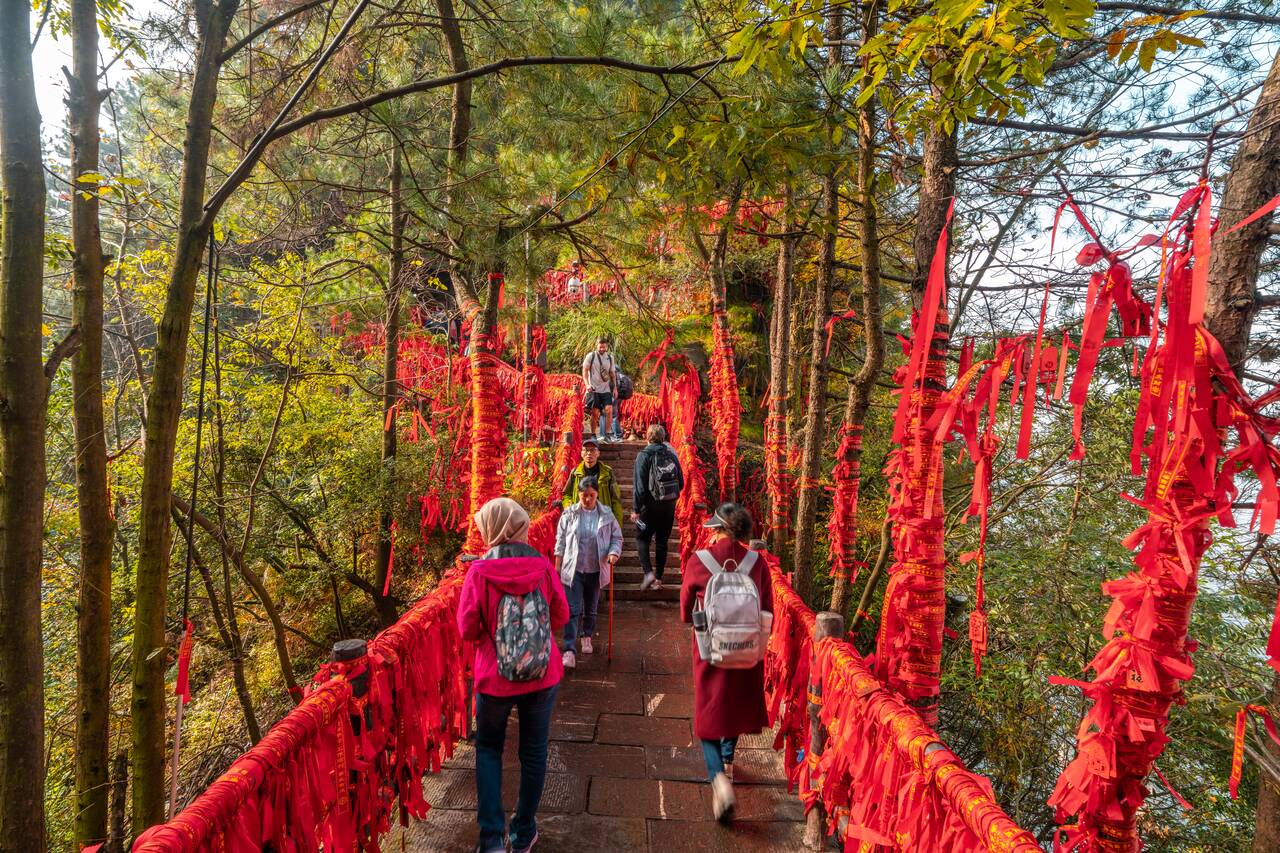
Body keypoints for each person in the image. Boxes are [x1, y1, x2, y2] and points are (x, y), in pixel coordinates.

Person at [457, 498, 570, 853]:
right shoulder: (542, 566)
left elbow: (466, 629)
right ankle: (523, 834)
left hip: (494, 679)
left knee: (489, 749)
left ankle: (491, 839)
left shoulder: (478, 572)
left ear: (493, 529)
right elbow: (562, 614)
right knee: (534, 753)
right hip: (542, 674)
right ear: (520, 527)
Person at [679, 503, 773, 823]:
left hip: (711, 649)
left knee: (708, 714)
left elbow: (685, 609)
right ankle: (729, 757)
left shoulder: (699, 560)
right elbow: (768, 611)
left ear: (719, 530)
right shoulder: (756, 563)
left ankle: (718, 777)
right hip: (747, 649)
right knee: (733, 705)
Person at [553, 476, 622, 669]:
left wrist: (613, 553)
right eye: (584, 496)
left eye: (591, 495)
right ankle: (568, 649)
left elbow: (617, 538)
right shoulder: (569, 514)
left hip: (595, 568)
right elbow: (560, 541)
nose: (588, 500)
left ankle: (587, 636)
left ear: (597, 494)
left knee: (591, 608)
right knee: (572, 609)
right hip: (573, 569)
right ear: (579, 494)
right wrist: (557, 565)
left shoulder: (607, 514)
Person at [632, 424, 684, 591]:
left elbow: (640, 487)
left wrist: (636, 509)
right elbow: (681, 483)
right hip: (669, 505)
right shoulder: (671, 454)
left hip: (649, 505)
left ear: (647, 437)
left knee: (642, 538)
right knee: (662, 541)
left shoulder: (643, 455)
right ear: (664, 438)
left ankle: (648, 574)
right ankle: (659, 579)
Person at [562, 437, 624, 522]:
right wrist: (568, 506)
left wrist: (617, 524)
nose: (589, 453)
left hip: (601, 518)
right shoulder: (575, 472)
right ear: (581, 453)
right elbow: (567, 494)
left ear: (598, 453)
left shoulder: (607, 473)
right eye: (586, 450)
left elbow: (616, 500)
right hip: (580, 519)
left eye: (592, 450)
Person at [582, 337, 618, 442]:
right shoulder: (591, 356)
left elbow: (612, 374)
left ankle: (606, 434)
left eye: (604, 346)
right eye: (600, 346)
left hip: (606, 388)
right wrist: (587, 385)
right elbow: (584, 371)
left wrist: (615, 388)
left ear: (607, 346)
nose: (602, 348)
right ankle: (593, 434)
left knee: (609, 410)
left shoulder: (610, 358)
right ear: (597, 345)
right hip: (594, 389)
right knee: (595, 412)